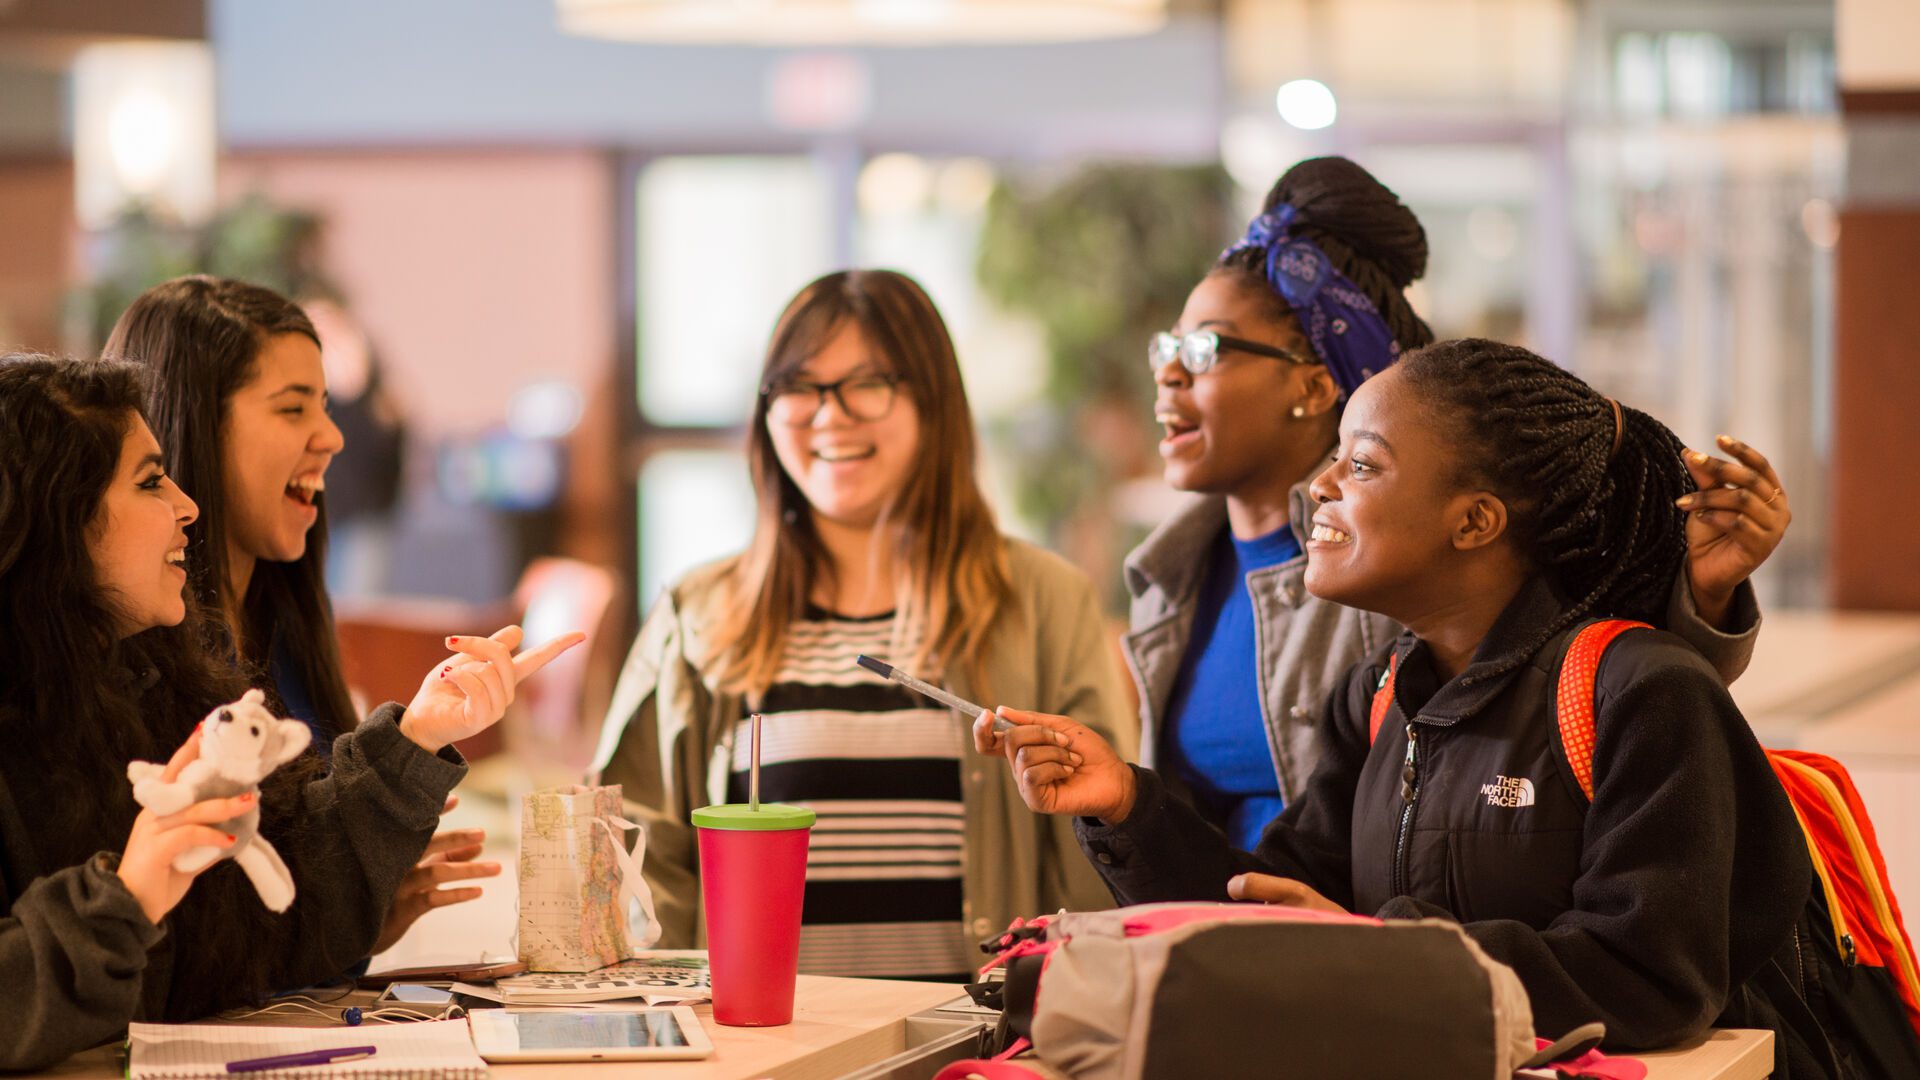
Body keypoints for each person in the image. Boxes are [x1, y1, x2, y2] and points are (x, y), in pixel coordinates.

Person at [979, 339, 1813, 1068]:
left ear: (1476, 520)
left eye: (1363, 464)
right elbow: (1263, 899)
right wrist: (1126, 804)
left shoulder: (1643, 691)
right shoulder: (1381, 697)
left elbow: (1650, 979)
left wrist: (1377, 953)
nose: (1321, 485)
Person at [1129, 157, 1785, 849]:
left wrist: (1704, 600)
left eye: (1203, 349)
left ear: (1316, 386)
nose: (1168, 370)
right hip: (1224, 937)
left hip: (1375, 947)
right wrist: (1122, 813)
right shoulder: (1167, 573)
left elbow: (1615, 708)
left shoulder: (1399, 562)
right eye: (1168, 345)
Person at [0, 352, 581, 1070]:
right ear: (56, 518)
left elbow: (264, 927)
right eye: (151, 481)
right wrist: (124, 896)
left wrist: (419, 736)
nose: (187, 505)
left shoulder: (155, 677)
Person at [592, 269, 1131, 981]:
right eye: (800, 387)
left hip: (972, 1058)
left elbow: (1101, 870)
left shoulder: (1044, 602)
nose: (829, 415)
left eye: (867, 383)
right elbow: (634, 869)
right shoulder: (697, 615)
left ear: (933, 403)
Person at [107, 276, 495, 954]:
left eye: (325, 404)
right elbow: (189, 942)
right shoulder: (124, 665)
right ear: (194, 421)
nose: (332, 438)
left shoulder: (284, 627)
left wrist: (361, 913)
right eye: (293, 410)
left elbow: (279, 910)